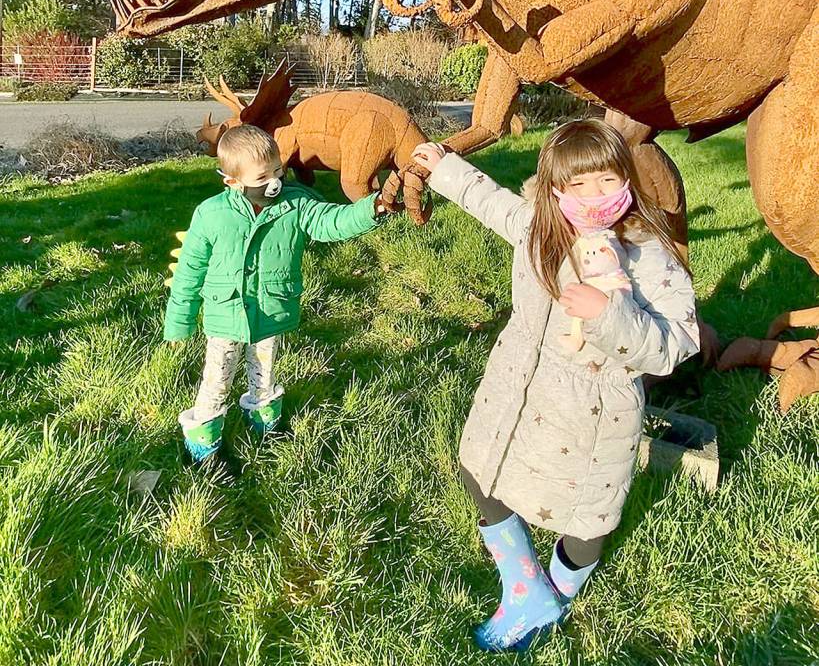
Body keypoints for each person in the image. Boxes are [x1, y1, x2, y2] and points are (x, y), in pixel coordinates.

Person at [411, 119, 699, 652]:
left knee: (588, 521)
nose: (595, 196)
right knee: (480, 469)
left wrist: (610, 314)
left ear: (628, 180)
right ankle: (527, 590)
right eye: (578, 185)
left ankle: (555, 599)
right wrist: (444, 169)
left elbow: (674, 345)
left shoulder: (646, 254)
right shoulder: (539, 227)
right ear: (553, 190)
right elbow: (490, 201)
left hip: (597, 409)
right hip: (517, 382)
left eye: (608, 180)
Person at [165, 124, 388, 465]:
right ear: (233, 182)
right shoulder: (211, 215)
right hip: (226, 317)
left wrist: (373, 208)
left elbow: (331, 222)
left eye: (278, 171)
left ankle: (266, 424)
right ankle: (203, 447)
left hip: (270, 311)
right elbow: (189, 271)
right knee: (217, 380)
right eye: (263, 176)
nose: (274, 182)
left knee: (265, 372)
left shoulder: (295, 204)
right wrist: (179, 321)